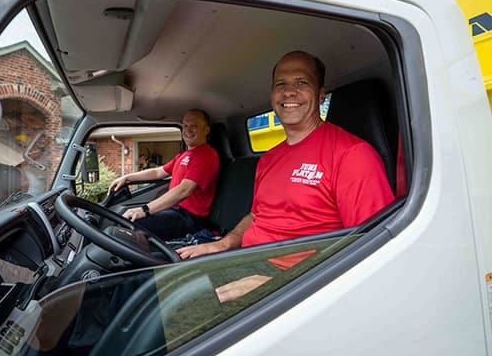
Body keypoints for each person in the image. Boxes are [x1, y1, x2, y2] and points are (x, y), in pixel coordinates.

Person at [176, 51, 395, 302]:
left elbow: (372, 246)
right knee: (159, 288)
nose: (289, 92)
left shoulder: (352, 155)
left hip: (297, 283)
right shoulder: (269, 159)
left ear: (321, 94)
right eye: (281, 84)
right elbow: (256, 215)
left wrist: (280, 284)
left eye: (301, 83)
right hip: (244, 261)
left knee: (172, 317)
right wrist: (223, 244)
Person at [107, 109, 220, 240]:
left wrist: (144, 210)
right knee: (124, 219)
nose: (188, 130)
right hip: (176, 211)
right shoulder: (183, 155)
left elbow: (184, 190)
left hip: (191, 218)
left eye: (194, 126)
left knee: (133, 225)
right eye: (185, 125)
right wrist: (126, 177)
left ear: (206, 130)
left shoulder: (207, 155)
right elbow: (158, 172)